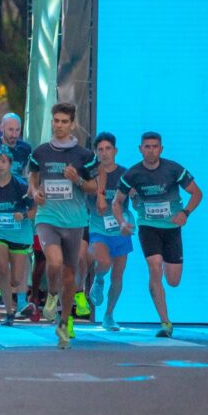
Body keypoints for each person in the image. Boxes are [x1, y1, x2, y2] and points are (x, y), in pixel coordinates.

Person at [112, 131, 202, 338]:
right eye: (147, 146)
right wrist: (122, 222)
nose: (151, 150)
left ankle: (166, 317)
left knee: (173, 280)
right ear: (140, 149)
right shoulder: (133, 174)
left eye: (155, 147)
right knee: (155, 266)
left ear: (161, 149)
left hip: (171, 228)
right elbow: (116, 202)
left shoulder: (173, 169)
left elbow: (197, 193)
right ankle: (165, 322)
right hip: (148, 227)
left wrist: (185, 213)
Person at [28, 102, 98, 349]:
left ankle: (64, 322)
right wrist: (35, 192)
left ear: (73, 124)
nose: (59, 126)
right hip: (48, 217)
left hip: (75, 220)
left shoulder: (84, 156)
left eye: (64, 122)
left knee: (70, 278)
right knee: (54, 262)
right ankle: (50, 295)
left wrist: (77, 179)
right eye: (56, 121)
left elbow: (94, 187)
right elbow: (32, 177)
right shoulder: (40, 152)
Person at [85, 132, 135, 331]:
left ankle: (109, 315)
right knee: (104, 261)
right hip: (98, 227)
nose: (104, 153)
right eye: (100, 149)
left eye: (108, 149)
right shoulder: (90, 174)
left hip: (120, 228)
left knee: (118, 276)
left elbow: (136, 198)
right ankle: (98, 280)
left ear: (115, 151)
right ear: (95, 153)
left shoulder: (126, 174)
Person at [0, 147, 36, 325]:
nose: (0, 165)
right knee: (2, 269)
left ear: (11, 164)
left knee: (16, 279)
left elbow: (35, 209)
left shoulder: (21, 184)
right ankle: (9, 313)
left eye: (3, 161)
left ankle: (18, 299)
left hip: (19, 232)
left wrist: (24, 215)